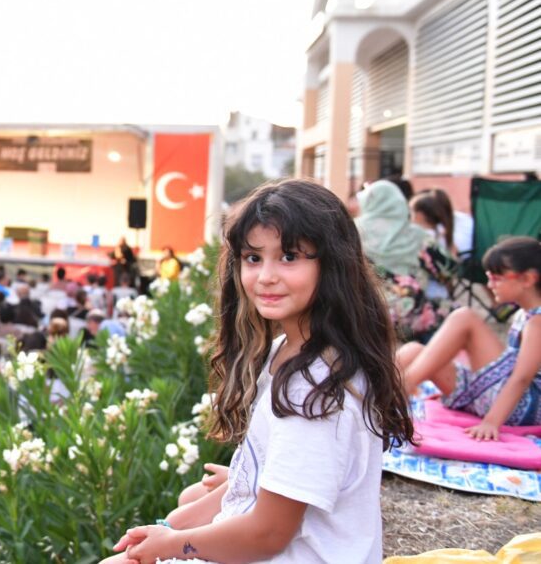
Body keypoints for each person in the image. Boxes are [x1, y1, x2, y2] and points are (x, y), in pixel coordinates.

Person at [105, 178, 413, 564]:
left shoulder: (312, 393)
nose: (266, 276)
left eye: (289, 257)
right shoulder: (290, 350)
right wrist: (181, 520)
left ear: (333, 264)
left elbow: (267, 535)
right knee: (186, 504)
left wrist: (171, 544)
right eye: (253, 258)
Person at [396, 237, 541, 439]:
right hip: (497, 394)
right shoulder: (523, 315)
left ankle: (399, 390)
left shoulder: (537, 321)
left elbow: (522, 377)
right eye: (489, 276)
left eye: (497, 277)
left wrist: (491, 422)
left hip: (523, 406)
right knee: (413, 350)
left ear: (527, 279)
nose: (490, 284)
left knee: (465, 318)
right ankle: (368, 391)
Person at [354, 180, 429, 277]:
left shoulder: (354, 228)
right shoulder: (416, 233)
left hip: (366, 290)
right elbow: (448, 268)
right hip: (408, 290)